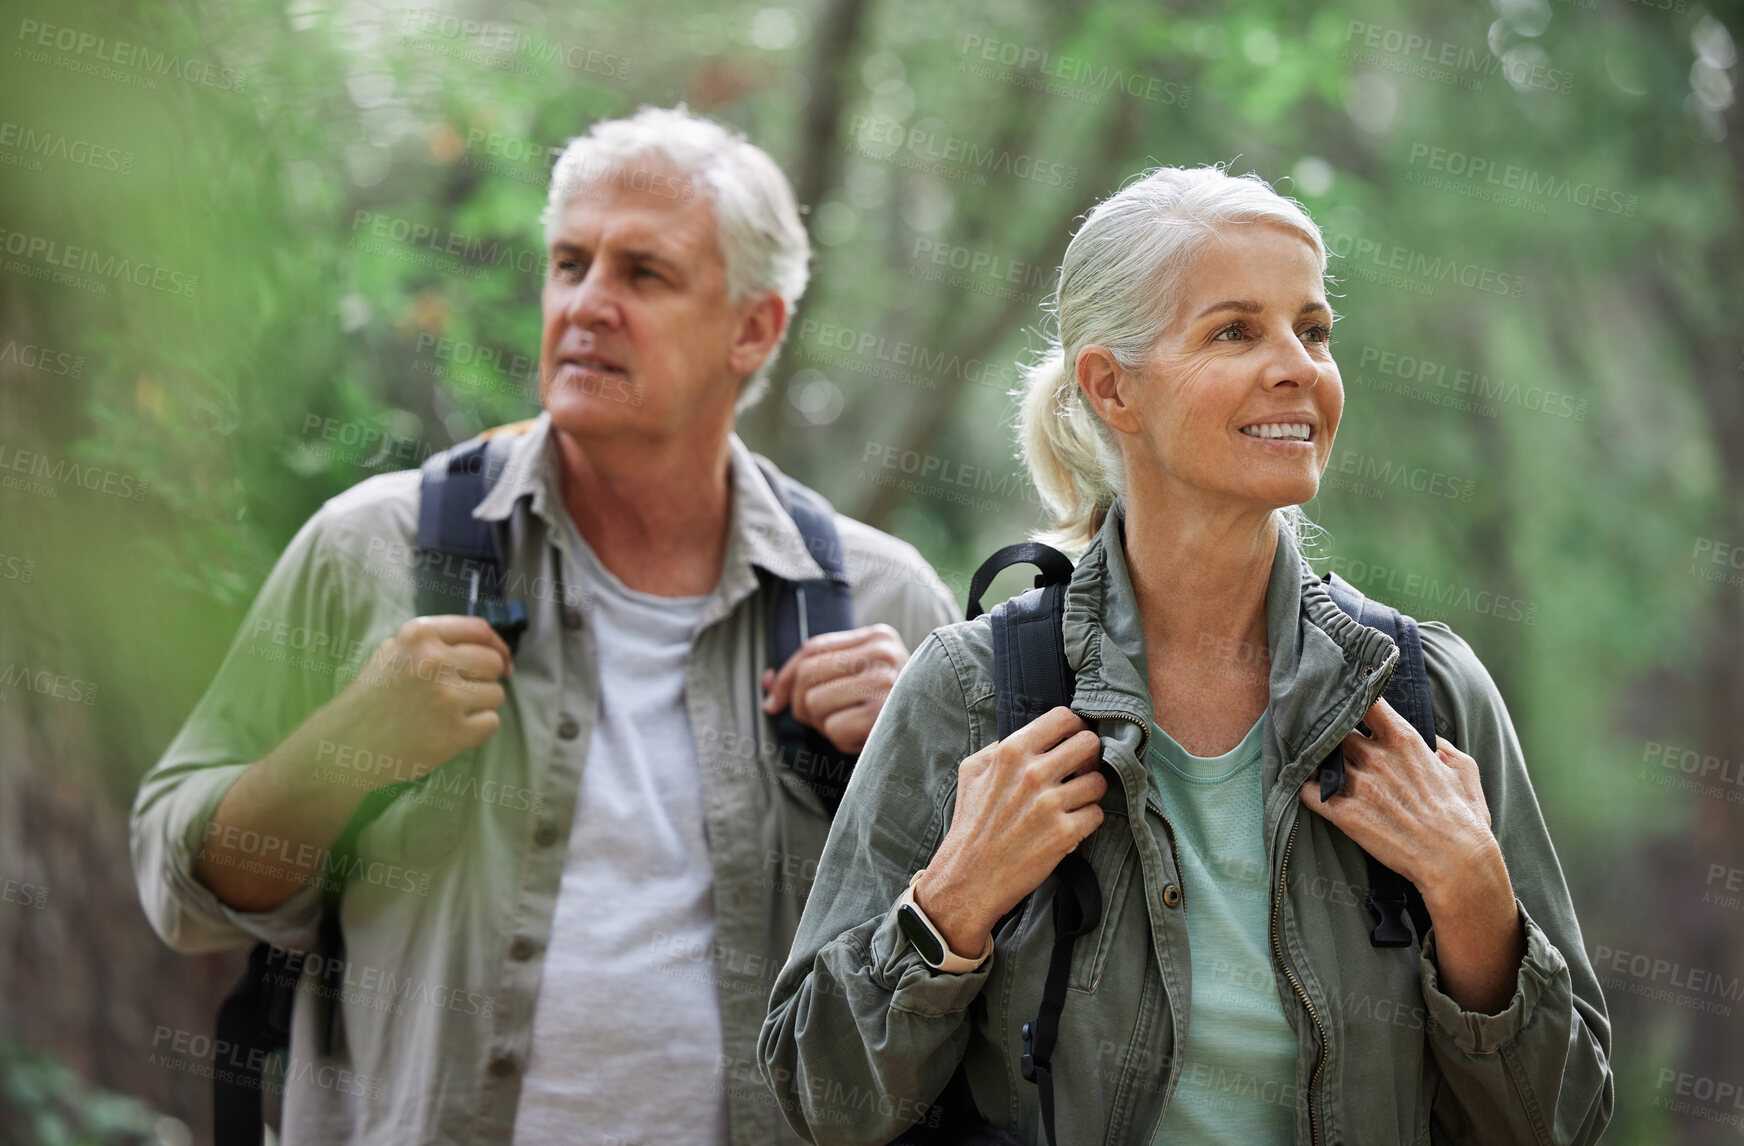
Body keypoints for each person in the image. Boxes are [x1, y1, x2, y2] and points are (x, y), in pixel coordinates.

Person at [129, 105, 957, 1146]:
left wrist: (918, 782)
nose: (587, 305)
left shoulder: (881, 600)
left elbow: (968, 990)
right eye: (569, 264)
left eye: (643, 274)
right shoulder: (370, 548)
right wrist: (343, 751)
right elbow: (182, 891)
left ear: (754, 329)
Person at [758, 165, 1613, 1145]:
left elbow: (1563, 1124)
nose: (1297, 364)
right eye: (1234, 331)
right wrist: (949, 905)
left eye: (1314, 329)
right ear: (1111, 386)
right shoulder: (969, 694)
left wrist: (1473, 905)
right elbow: (818, 1103)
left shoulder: (1424, 696)